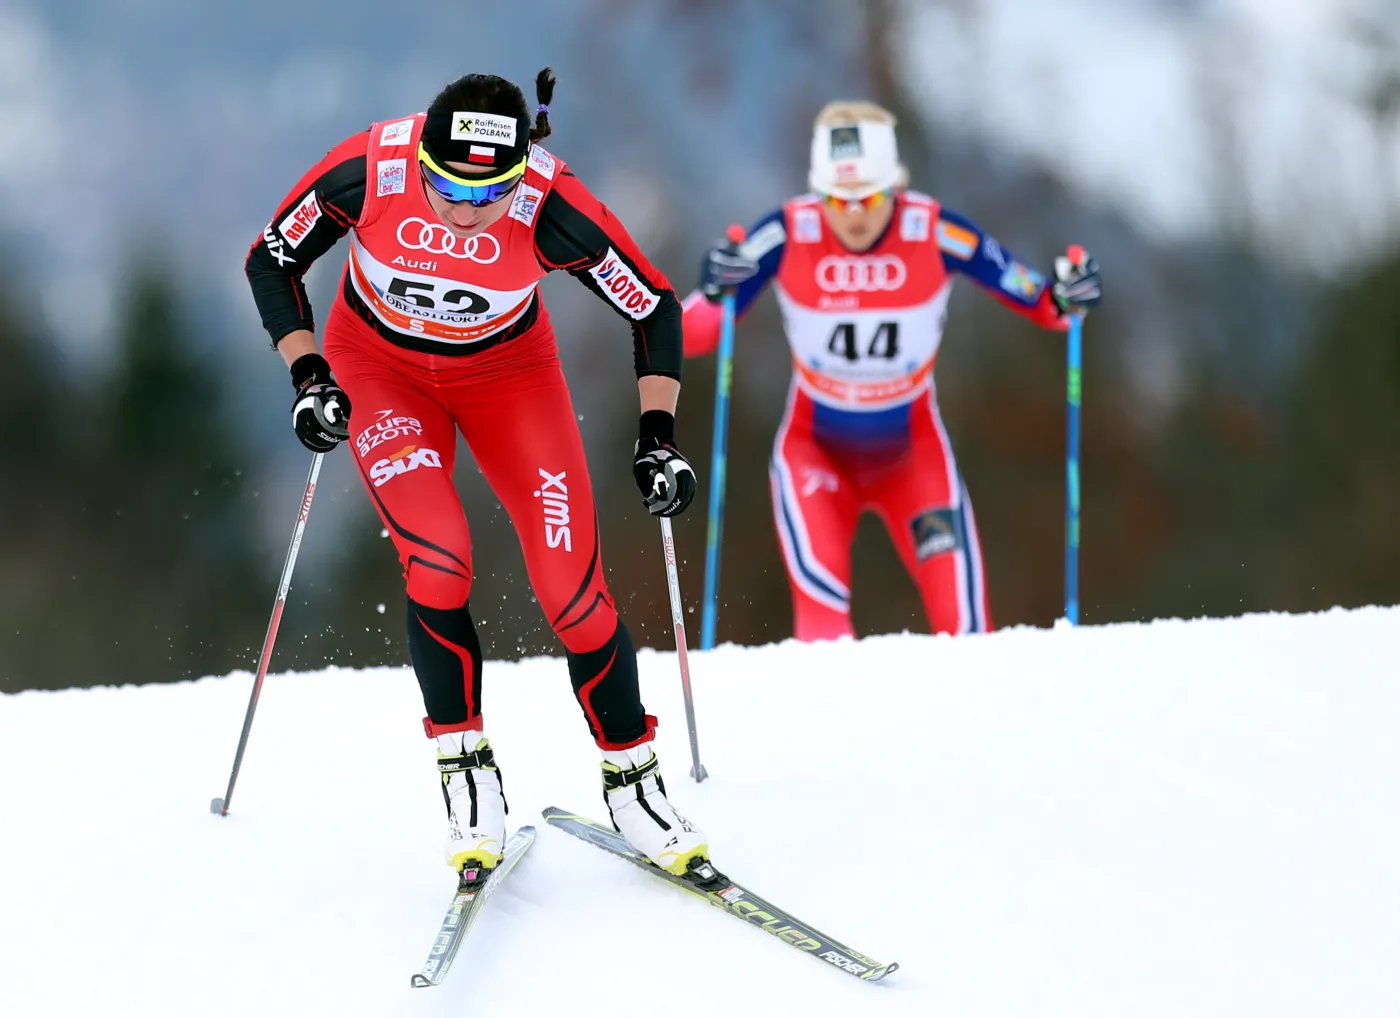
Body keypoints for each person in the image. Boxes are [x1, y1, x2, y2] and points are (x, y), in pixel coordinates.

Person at [244, 69, 708, 883]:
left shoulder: (551, 204)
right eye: (444, 185)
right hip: (379, 369)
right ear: (421, 154)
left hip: (510, 378)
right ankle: (467, 772)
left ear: (519, 171)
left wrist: (657, 435)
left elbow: (654, 307)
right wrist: (309, 376)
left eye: (483, 194)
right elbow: (270, 260)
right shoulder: (371, 172)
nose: (460, 210)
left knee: (572, 590)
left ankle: (634, 782)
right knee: (440, 559)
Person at [682, 101, 1103, 642]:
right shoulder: (787, 232)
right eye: (837, 199)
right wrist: (716, 288)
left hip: (912, 456)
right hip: (817, 454)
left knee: (969, 630)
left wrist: (1069, 295)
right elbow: (693, 333)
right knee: (823, 632)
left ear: (896, 187)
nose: (854, 215)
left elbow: (1041, 301)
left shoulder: (935, 230)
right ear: (818, 192)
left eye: (872, 197)